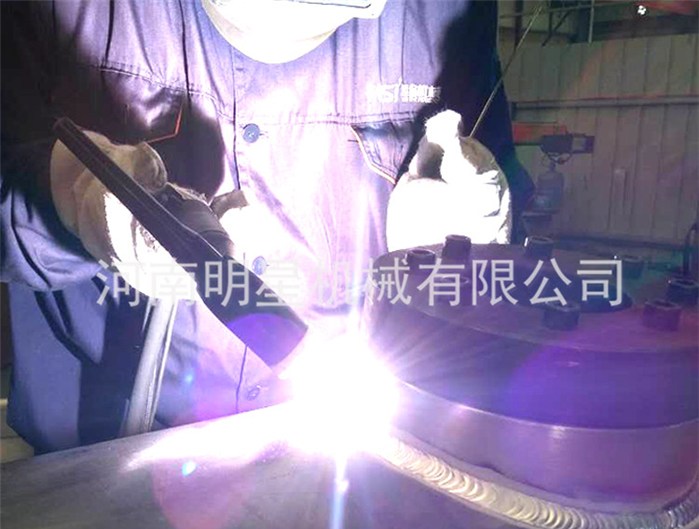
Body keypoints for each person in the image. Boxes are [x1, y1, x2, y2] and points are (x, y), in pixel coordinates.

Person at [1, 0, 532, 454]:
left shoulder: (446, 11)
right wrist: (73, 196)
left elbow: (496, 183)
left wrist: (471, 242)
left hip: (336, 459)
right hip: (96, 458)